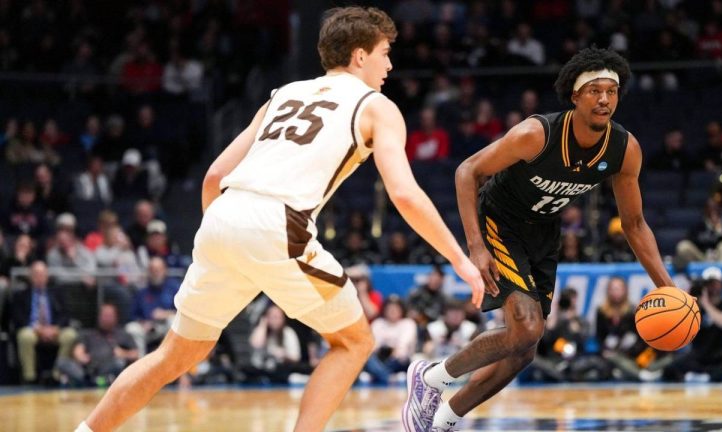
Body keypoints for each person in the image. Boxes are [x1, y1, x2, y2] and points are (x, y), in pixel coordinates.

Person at [76, 7, 483, 432]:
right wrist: (459, 259)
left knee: (173, 355)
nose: (390, 65)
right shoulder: (377, 106)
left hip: (223, 215)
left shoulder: (284, 94)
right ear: (360, 56)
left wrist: (228, 241)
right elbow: (403, 193)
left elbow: (214, 175)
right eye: (385, 53)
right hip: (276, 223)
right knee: (355, 342)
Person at [403, 47, 675, 432]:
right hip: (499, 219)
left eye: (611, 91)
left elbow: (634, 223)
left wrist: (668, 287)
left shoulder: (624, 149)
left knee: (525, 349)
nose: (604, 99)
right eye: (595, 90)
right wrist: (476, 246)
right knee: (526, 328)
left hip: (543, 230)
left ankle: (442, 419)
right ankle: (431, 377)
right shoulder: (537, 134)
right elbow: (467, 172)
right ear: (576, 96)